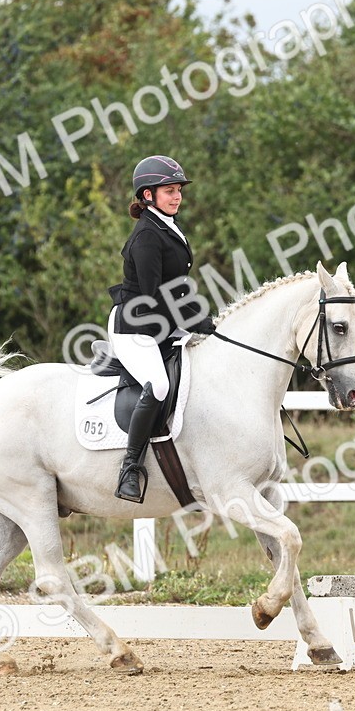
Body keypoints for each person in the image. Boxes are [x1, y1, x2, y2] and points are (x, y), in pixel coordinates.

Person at [106, 155, 216, 503]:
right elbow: (153, 295)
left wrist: (202, 317)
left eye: (178, 190)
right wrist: (191, 320)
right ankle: (130, 467)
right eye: (169, 191)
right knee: (158, 386)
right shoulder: (146, 237)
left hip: (161, 321)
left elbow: (176, 285)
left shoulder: (168, 226)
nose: (177, 196)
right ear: (148, 195)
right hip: (136, 326)